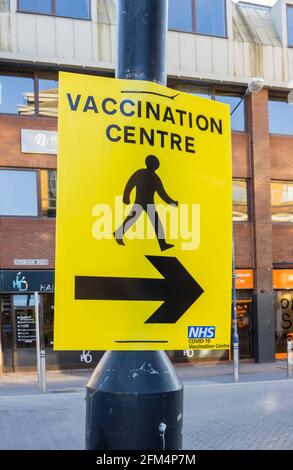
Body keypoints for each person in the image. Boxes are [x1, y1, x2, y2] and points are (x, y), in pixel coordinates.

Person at [114, 155, 178, 251]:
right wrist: (126, 197)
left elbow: (162, 193)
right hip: (140, 202)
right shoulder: (141, 173)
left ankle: (162, 244)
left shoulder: (155, 178)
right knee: (134, 219)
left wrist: (172, 202)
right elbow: (130, 184)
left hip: (149, 204)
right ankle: (118, 234)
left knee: (155, 222)